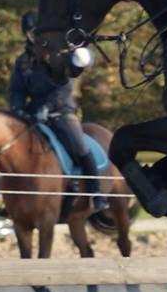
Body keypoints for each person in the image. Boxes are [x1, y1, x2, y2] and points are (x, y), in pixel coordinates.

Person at [7, 11, 107, 212]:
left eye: (35, 31)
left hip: (61, 112)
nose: (32, 35)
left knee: (79, 146)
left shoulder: (58, 54)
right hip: (33, 115)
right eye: (29, 32)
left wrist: (48, 107)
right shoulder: (23, 62)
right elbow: (16, 89)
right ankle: (12, 200)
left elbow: (64, 86)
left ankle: (96, 193)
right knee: (14, 151)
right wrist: (17, 108)